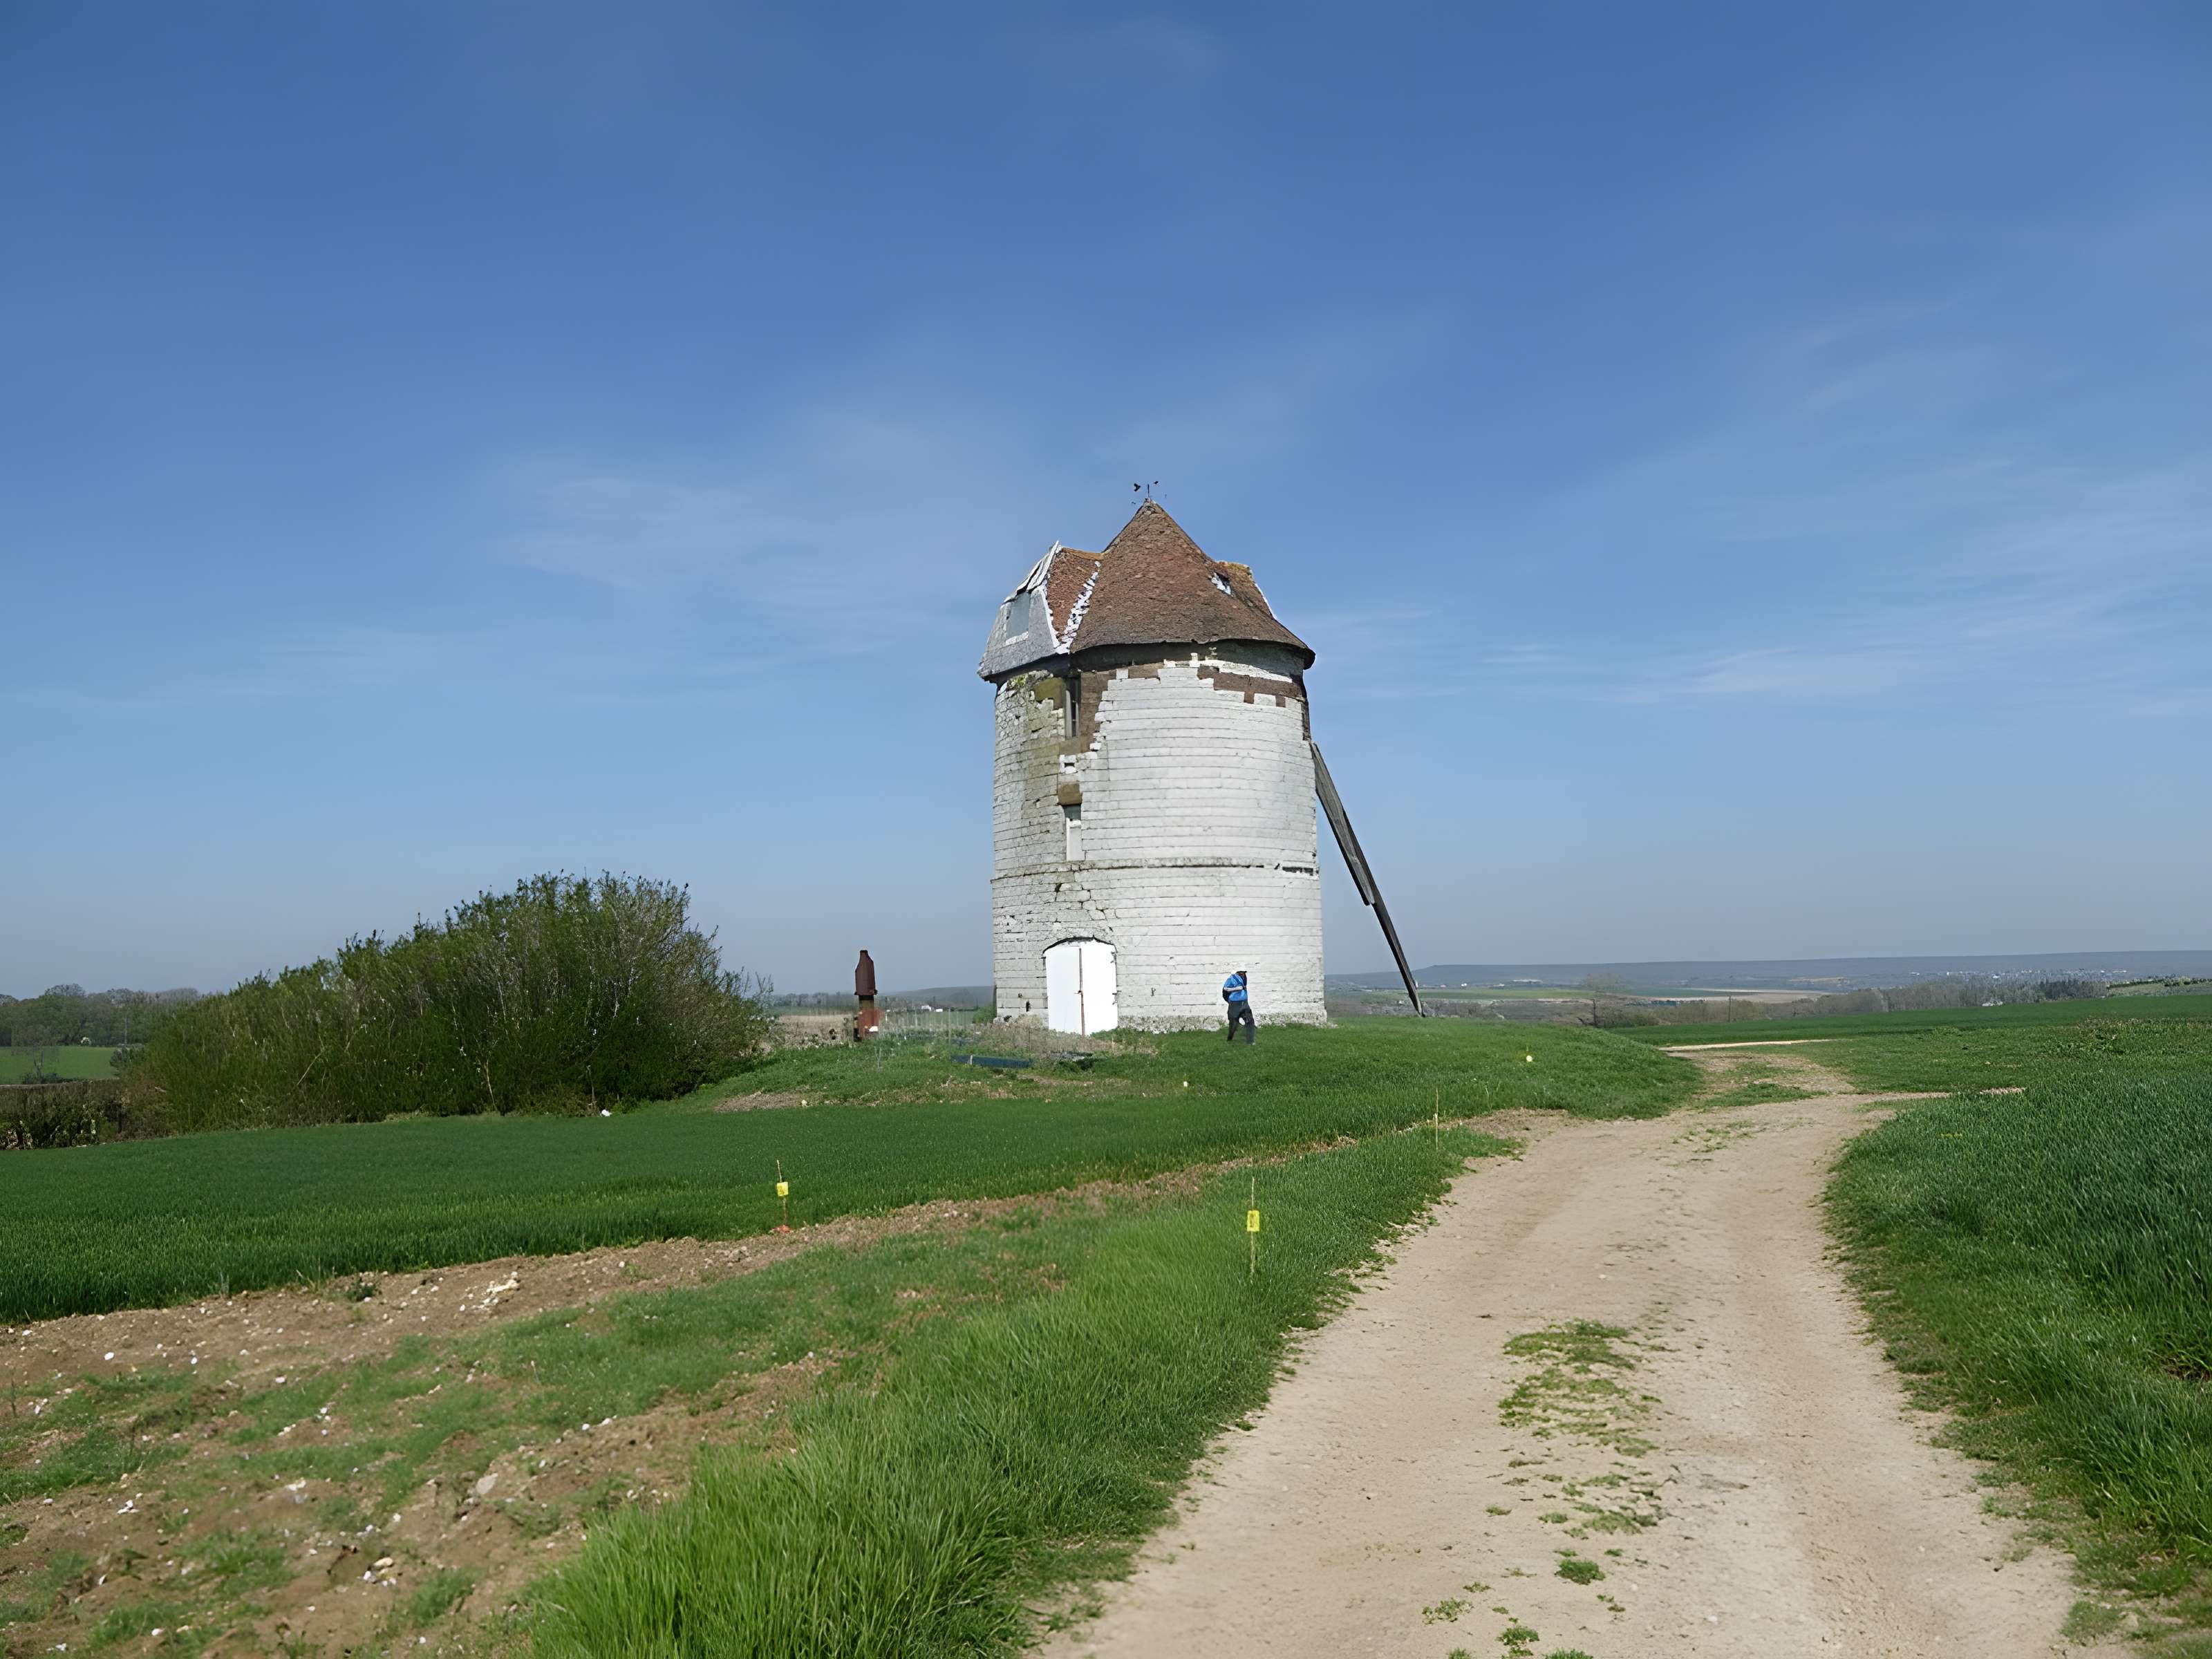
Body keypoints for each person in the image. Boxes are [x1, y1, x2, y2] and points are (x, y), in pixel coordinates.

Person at [1223, 968, 1256, 1044]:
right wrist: (1236, 989)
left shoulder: (1244, 979)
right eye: (1241, 973)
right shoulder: (1231, 978)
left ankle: (1251, 1041)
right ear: (1237, 972)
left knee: (1250, 1021)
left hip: (1244, 1003)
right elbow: (1225, 989)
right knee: (1233, 1023)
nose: (1243, 974)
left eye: (1244, 973)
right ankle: (1230, 1038)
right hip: (1235, 1004)